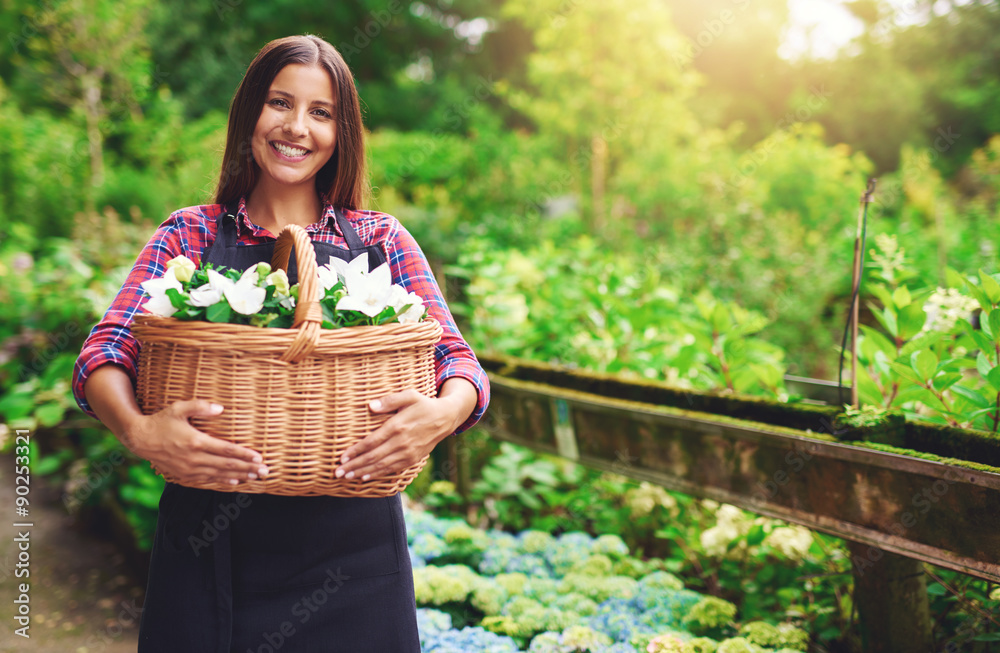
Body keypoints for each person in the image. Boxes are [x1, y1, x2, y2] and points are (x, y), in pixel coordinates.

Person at [72, 34, 489, 652]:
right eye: (279, 103)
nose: (297, 128)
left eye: (320, 113)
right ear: (250, 115)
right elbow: (104, 353)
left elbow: (458, 362)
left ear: (341, 131)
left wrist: (441, 413)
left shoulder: (381, 241)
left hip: (356, 560)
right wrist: (138, 431)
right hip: (207, 552)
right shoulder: (190, 234)